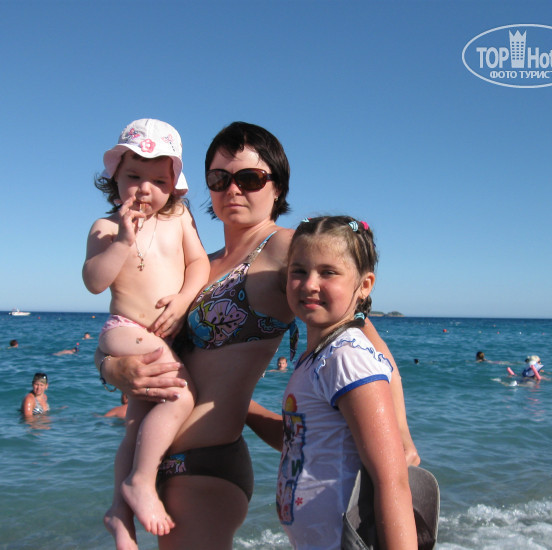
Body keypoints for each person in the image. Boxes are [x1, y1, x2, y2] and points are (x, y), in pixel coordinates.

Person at [96, 122, 419, 550]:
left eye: (249, 178)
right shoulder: (197, 262)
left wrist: (400, 434)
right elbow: (132, 326)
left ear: (277, 187)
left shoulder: (287, 249)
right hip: (154, 460)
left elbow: (363, 338)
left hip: (207, 464)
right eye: (219, 178)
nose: (233, 189)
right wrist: (113, 368)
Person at [249, 216, 417, 549]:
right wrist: (238, 406)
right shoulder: (317, 357)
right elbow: (298, 441)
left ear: (364, 285)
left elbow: (393, 480)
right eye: (299, 271)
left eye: (328, 272)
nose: (310, 284)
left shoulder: (346, 357)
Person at [83, 118, 209, 542]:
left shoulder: (180, 217)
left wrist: (184, 298)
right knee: (182, 394)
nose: (144, 189)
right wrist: (122, 240)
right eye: (133, 176)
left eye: (158, 181)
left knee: (137, 427)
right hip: (125, 329)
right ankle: (141, 481)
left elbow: (199, 263)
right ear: (114, 177)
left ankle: (119, 515)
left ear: (173, 186)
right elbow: (94, 281)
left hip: (162, 336)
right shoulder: (105, 228)